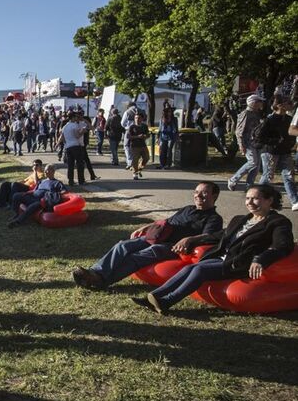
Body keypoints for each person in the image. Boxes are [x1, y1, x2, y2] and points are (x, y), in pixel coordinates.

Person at [132, 184, 294, 313]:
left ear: (269, 200)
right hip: (222, 257)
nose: (250, 203)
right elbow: (220, 235)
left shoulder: (277, 222)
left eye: (255, 199)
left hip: (239, 262)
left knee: (199, 270)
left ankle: (166, 301)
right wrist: (192, 239)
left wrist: (261, 260)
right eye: (247, 198)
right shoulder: (240, 219)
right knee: (192, 267)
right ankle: (155, 297)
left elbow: (282, 245)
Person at [72, 182, 224, 290]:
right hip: (158, 236)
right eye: (196, 192)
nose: (198, 195)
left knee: (137, 256)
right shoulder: (187, 208)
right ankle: (95, 272)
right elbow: (167, 221)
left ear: (215, 195)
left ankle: (101, 281)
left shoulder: (213, 218)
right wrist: (146, 227)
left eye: (204, 192)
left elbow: (209, 236)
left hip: (171, 246)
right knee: (122, 245)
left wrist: (189, 239)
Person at [256, 95, 297, 211]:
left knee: (289, 176)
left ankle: (295, 201)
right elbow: (260, 137)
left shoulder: (289, 119)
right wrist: (275, 141)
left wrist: (291, 143)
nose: (290, 104)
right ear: (279, 105)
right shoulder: (270, 119)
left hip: (285, 151)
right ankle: (258, 196)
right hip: (270, 152)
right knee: (268, 177)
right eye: (287, 102)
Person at [228, 94, 265, 191]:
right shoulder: (245, 113)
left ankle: (249, 186)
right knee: (252, 162)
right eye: (259, 101)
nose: (261, 103)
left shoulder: (257, 113)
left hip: (257, 142)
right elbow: (239, 130)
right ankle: (233, 179)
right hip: (247, 142)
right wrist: (241, 145)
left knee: (256, 166)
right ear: (253, 103)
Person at [61, 112, 87, 186]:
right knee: (79, 164)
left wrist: (66, 144)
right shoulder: (75, 125)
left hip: (68, 147)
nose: (77, 118)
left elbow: (62, 137)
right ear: (72, 118)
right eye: (75, 117)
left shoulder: (65, 126)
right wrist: (83, 131)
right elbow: (77, 136)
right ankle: (81, 180)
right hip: (75, 146)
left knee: (70, 165)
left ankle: (71, 180)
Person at [127, 112, 150, 180]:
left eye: (139, 118)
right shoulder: (132, 127)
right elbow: (128, 136)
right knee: (135, 160)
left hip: (143, 145)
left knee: (146, 158)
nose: (137, 119)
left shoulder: (144, 126)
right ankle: (135, 173)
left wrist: (146, 136)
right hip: (134, 146)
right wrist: (137, 136)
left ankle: (139, 168)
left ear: (142, 119)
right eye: (136, 118)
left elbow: (148, 134)